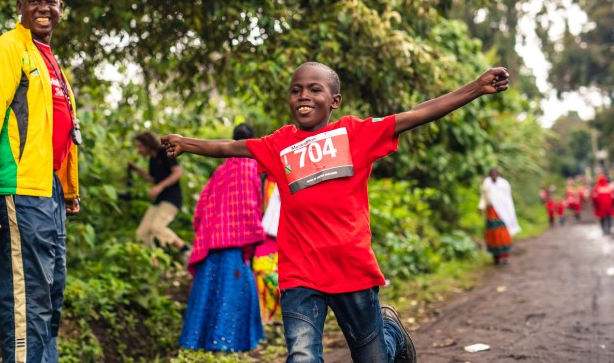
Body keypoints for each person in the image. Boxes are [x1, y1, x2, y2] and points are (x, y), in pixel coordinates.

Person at [161, 61, 510, 363]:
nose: (304, 96)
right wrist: (186, 143)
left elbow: (418, 113)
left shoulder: (355, 134)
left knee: (372, 357)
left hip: (351, 269)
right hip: (300, 273)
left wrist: (476, 88)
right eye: (296, 90)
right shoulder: (278, 143)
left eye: (315, 89)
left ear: (334, 101)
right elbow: (231, 147)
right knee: (301, 355)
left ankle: (392, 336)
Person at [0, 0, 80, 362]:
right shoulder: (7, 49)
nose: (44, 7)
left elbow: (56, 130)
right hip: (16, 191)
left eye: (51, 1)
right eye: (34, 0)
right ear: (20, 8)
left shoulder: (48, 59)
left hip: (48, 192)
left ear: (60, 10)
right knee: (25, 302)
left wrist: (67, 190)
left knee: (49, 298)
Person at [179, 123, 265, 352]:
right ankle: (229, 343)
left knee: (207, 291)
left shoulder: (221, 170)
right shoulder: (251, 167)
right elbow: (252, 205)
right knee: (236, 289)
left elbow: (202, 206)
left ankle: (196, 342)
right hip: (235, 243)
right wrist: (252, 230)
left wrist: (206, 229)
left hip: (212, 240)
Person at [129, 131, 189, 254]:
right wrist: (136, 169)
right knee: (142, 233)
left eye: (140, 146)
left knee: (157, 227)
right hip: (160, 200)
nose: (138, 150)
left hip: (172, 199)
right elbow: (152, 178)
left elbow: (177, 173)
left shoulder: (164, 153)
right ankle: (152, 265)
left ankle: (185, 250)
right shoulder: (152, 159)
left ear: (148, 144)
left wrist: (160, 187)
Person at [252, 175, 282, 325]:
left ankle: (282, 318)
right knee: (260, 269)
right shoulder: (261, 176)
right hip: (267, 232)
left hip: (290, 233)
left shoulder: (289, 166)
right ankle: (267, 319)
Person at [478, 168, 520, 266]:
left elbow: (507, 199)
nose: (493, 175)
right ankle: (496, 256)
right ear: (489, 175)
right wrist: (480, 207)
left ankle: (505, 256)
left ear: (498, 174)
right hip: (491, 212)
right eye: (491, 174)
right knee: (493, 234)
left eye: (495, 173)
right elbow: (484, 198)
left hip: (503, 213)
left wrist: (509, 212)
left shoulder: (504, 184)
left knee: (503, 233)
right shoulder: (486, 184)